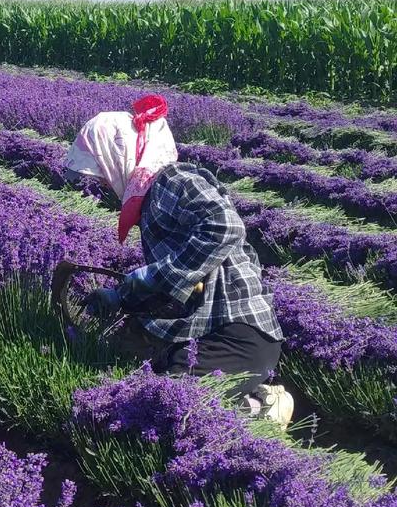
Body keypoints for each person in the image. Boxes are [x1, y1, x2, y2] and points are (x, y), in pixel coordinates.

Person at [65, 95, 293, 425]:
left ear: (118, 154)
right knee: (141, 373)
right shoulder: (152, 196)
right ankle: (249, 392)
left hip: (239, 335)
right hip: (213, 333)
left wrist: (154, 277)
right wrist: (123, 296)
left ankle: (261, 406)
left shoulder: (171, 181)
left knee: (167, 405)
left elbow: (225, 226)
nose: (100, 180)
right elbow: (179, 279)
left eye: (99, 168)